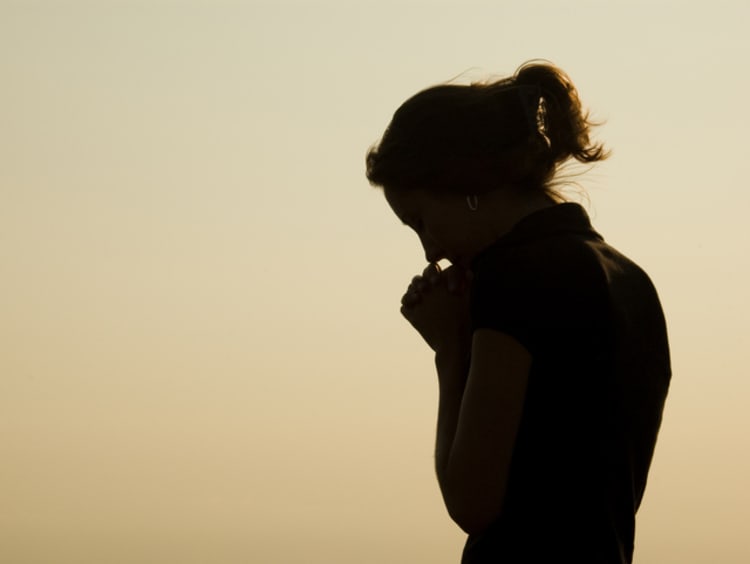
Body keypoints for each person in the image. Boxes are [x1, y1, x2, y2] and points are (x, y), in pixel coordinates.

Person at [365, 61, 671, 563]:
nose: (429, 252)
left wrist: (450, 347)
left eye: (421, 221)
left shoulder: (517, 277)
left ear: (464, 184)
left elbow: (472, 502)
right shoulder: (633, 282)